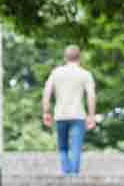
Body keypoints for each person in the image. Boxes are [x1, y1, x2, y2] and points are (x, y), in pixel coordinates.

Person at [40, 45, 98, 176]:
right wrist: (91, 115)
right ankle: (74, 174)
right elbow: (91, 95)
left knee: (63, 146)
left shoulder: (56, 73)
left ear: (65, 57)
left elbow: (46, 92)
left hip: (61, 115)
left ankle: (66, 171)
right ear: (80, 58)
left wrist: (46, 112)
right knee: (76, 146)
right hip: (78, 115)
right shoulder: (85, 74)